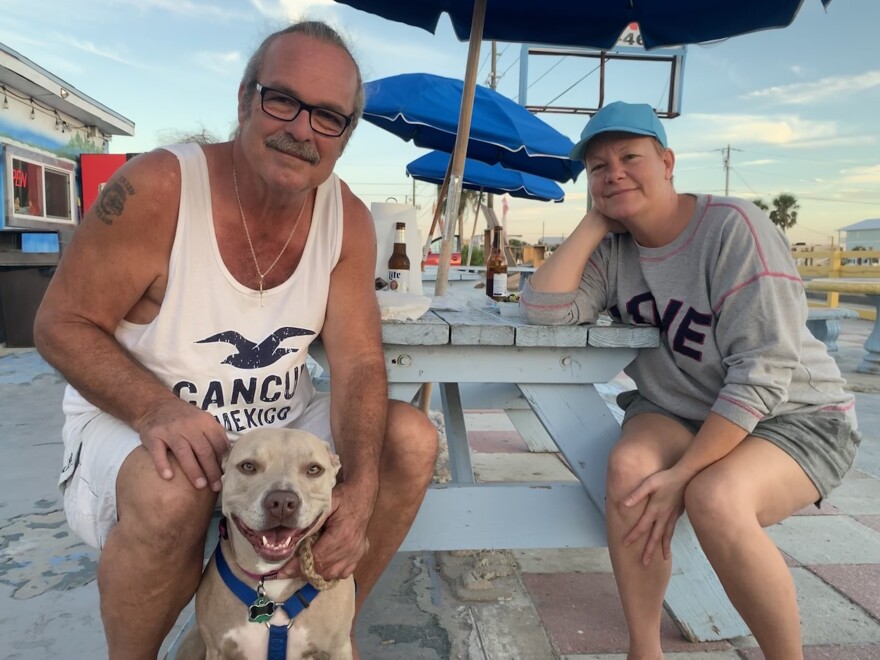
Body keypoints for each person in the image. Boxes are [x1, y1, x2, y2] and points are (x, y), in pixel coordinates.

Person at [34, 21, 438, 659]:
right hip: (139, 414)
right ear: (246, 100)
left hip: (278, 424)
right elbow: (59, 323)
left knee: (410, 441)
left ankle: (321, 628)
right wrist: (156, 408)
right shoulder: (159, 189)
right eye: (284, 101)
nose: (302, 129)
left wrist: (359, 493)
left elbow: (359, 362)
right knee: (177, 490)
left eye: (328, 116)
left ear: (345, 136)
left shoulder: (347, 218)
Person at [520, 101, 860, 660]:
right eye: (599, 167)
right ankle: (643, 650)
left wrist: (682, 474)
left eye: (631, 157)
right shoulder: (613, 251)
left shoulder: (733, 227)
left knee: (715, 497)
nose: (615, 173)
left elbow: (763, 373)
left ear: (668, 162)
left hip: (796, 416)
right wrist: (593, 222)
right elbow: (545, 310)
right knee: (629, 469)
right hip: (682, 408)